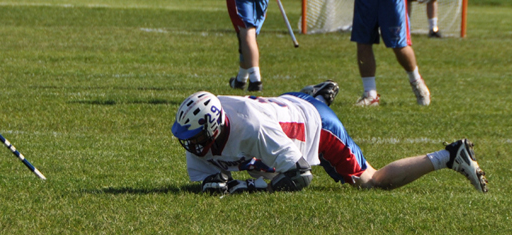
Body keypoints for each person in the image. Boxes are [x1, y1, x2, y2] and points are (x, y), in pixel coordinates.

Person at [170, 84, 488, 195]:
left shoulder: (252, 129)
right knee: (260, 166)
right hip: (284, 104)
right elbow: (209, 177)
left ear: (214, 127)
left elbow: (300, 176)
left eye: (195, 136)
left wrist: (247, 187)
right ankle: (316, 95)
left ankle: (449, 156)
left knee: (370, 182)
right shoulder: (207, 132)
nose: (190, 144)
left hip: (315, 126)